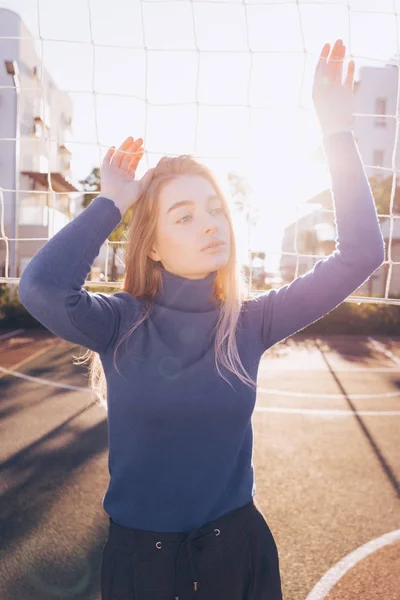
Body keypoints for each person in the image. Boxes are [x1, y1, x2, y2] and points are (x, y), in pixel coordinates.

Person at [18, 39, 384, 599]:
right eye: (184, 215)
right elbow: (41, 287)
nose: (210, 223)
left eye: (215, 209)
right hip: (141, 564)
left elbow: (360, 253)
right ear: (154, 247)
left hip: (237, 556)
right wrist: (112, 201)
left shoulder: (251, 322)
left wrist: (336, 130)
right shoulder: (118, 322)